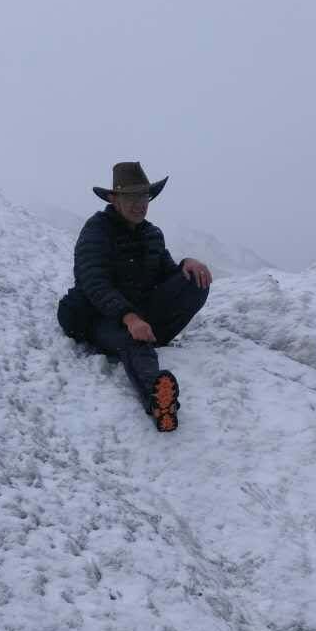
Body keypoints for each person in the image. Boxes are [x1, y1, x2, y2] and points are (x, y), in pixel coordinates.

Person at [57, 162, 212, 432]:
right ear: (114, 199)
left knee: (195, 281)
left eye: (144, 197)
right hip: (98, 314)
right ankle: (158, 401)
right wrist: (129, 318)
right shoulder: (97, 231)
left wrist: (187, 262)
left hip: (139, 312)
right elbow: (93, 282)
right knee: (132, 339)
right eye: (131, 197)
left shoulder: (152, 234)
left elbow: (166, 272)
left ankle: (151, 336)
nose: (140, 204)